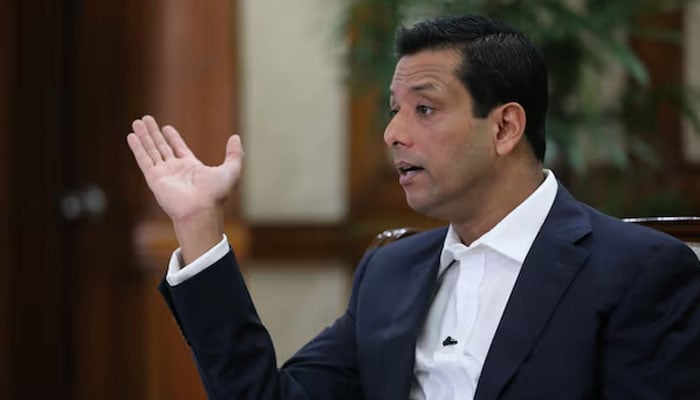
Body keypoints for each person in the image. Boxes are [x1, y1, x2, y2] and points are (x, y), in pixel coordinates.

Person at [127, 15, 700, 400]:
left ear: (504, 126)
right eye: (394, 109)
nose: (392, 133)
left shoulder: (637, 272)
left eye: (423, 110)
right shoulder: (392, 270)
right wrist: (198, 223)